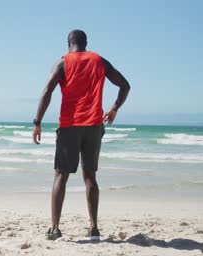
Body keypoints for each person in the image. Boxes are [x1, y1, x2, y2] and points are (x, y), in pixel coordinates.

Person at [32, 29, 130, 241]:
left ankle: (55, 229)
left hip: (69, 125)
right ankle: (94, 228)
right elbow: (125, 86)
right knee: (90, 176)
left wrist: (37, 122)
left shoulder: (63, 63)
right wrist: (114, 109)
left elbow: (47, 92)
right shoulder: (100, 61)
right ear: (86, 43)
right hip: (94, 126)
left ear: (69, 43)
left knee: (61, 175)